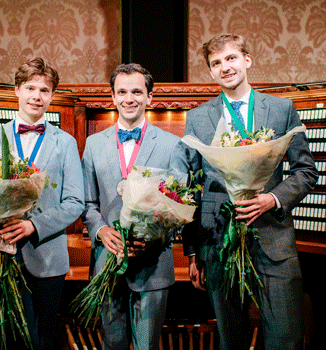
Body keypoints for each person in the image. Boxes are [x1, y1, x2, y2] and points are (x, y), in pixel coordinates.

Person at [182, 34, 319, 350]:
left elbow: (306, 171)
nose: (225, 67)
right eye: (216, 63)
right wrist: (193, 253)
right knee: (232, 341)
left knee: (286, 338)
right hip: (217, 244)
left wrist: (272, 198)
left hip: (274, 242)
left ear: (247, 60)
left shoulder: (282, 109)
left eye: (231, 58)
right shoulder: (198, 117)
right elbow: (192, 186)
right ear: (211, 72)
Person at [0, 57, 85, 350]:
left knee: (42, 340)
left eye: (45, 90)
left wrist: (32, 225)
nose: (37, 96)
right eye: (31, 88)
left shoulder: (66, 143)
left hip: (46, 259)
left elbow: (76, 202)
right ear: (17, 90)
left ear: (52, 95)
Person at [81, 63, 188, 350]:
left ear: (149, 97)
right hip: (106, 261)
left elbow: (180, 207)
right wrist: (102, 230)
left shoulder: (173, 145)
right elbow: (87, 203)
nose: (130, 98)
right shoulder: (92, 144)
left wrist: (153, 236)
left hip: (152, 267)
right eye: (122, 92)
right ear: (113, 98)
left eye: (137, 91)